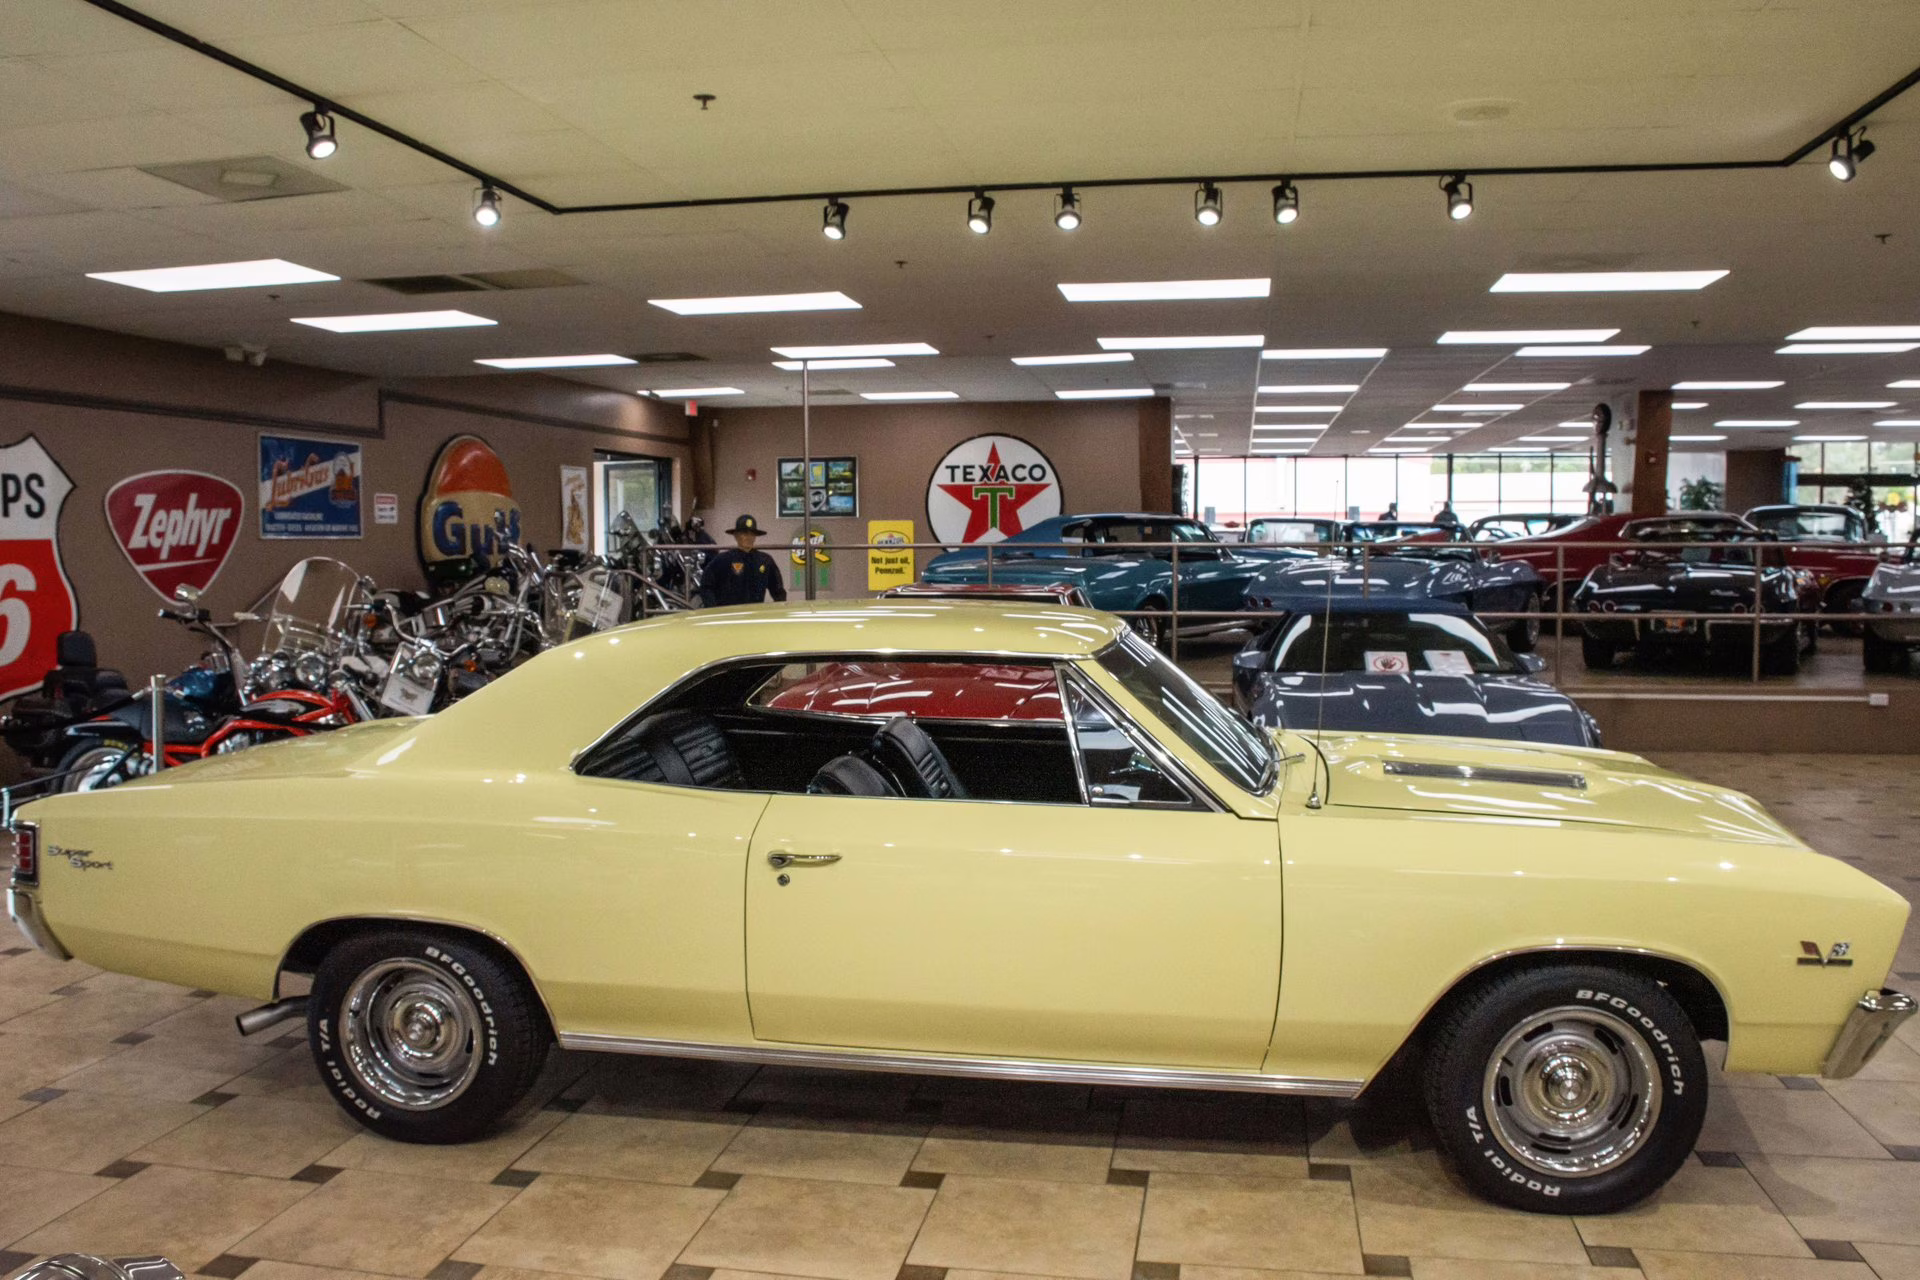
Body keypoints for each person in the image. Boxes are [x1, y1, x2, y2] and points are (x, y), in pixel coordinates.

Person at [698, 514, 788, 607]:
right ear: (736, 536)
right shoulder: (722, 560)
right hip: (729, 616)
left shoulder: (765, 561)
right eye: (744, 533)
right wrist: (714, 610)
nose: (748, 537)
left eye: (752, 534)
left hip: (755, 615)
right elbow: (706, 586)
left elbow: (778, 590)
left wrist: (780, 609)